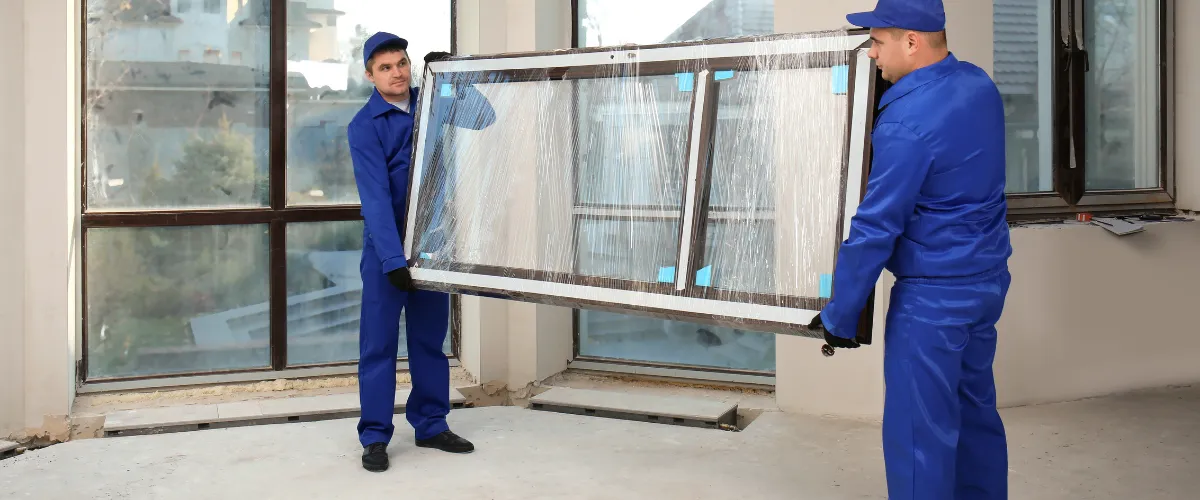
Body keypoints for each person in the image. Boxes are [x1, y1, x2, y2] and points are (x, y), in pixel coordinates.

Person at [805, 1, 1012, 498]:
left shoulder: (906, 124)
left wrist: (840, 314)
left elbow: (876, 227)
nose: (870, 53)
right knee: (975, 417)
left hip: (932, 303)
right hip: (985, 285)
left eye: (876, 41)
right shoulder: (979, 86)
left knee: (921, 437)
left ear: (912, 41)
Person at [348, 31, 495, 473]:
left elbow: (485, 118)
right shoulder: (364, 126)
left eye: (402, 63)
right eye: (386, 67)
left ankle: (431, 426)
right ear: (371, 76)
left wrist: (457, 78)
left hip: (431, 245)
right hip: (386, 251)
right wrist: (393, 262)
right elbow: (374, 199)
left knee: (430, 342)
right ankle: (374, 437)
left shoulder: (435, 99)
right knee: (379, 346)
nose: (397, 73)